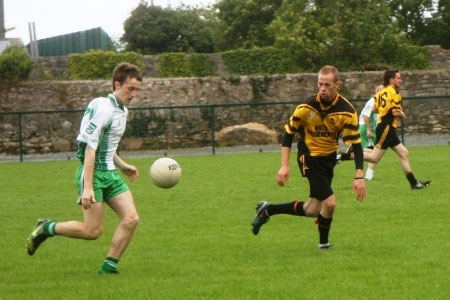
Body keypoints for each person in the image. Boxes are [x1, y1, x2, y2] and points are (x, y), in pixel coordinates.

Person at [26, 62, 143, 274]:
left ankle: (109, 267)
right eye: (130, 88)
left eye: (137, 90)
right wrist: (88, 187)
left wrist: (123, 165)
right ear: (117, 84)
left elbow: (106, 146)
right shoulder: (104, 109)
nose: (134, 94)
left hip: (110, 173)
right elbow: (90, 149)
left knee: (131, 218)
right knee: (92, 231)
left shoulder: (121, 110)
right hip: (92, 174)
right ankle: (46, 228)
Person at [251, 65, 366, 249]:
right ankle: (324, 244)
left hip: (328, 160)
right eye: (320, 84)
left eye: (327, 85)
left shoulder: (347, 111)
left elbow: (356, 144)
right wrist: (284, 165)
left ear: (337, 84)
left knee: (312, 209)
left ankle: (268, 210)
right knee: (330, 203)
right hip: (309, 158)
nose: (323, 88)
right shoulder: (306, 107)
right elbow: (288, 134)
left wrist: (359, 175)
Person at [362, 70, 430, 189]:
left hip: (386, 128)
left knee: (404, 153)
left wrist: (385, 111)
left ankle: (414, 183)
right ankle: (345, 155)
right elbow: (394, 112)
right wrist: (402, 114)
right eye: (398, 78)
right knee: (374, 157)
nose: (400, 80)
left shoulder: (380, 93)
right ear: (391, 80)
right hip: (386, 128)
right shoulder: (394, 93)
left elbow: (374, 109)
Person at [360, 85, 383, 180]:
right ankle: (349, 153)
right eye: (382, 91)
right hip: (366, 127)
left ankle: (369, 175)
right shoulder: (373, 101)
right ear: (377, 92)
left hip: (372, 128)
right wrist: (369, 130)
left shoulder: (379, 101)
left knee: (376, 152)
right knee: (376, 152)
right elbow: (365, 116)